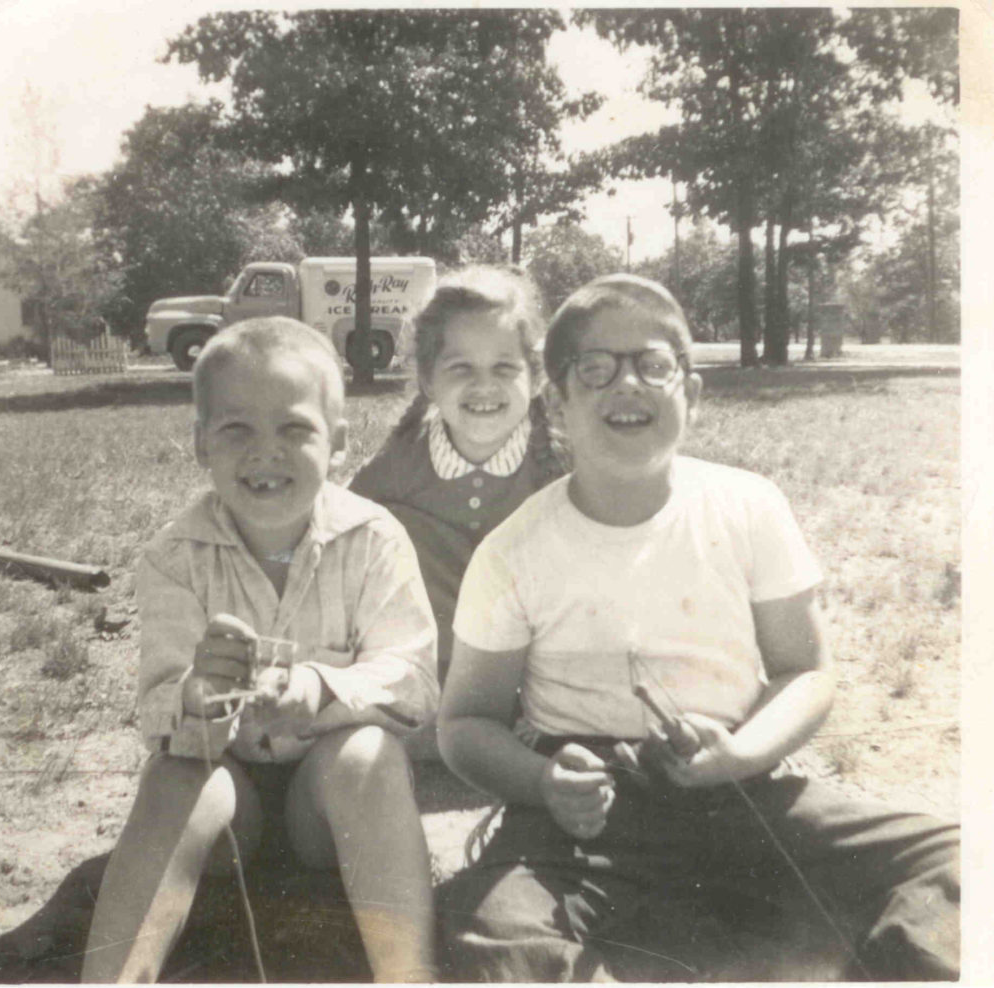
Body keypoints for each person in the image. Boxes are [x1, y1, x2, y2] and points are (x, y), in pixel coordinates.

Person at [436, 274, 960, 982]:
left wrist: (741, 752)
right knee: (485, 922)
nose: (628, 385)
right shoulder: (513, 549)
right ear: (555, 402)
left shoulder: (747, 507)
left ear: (693, 393)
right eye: (595, 369)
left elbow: (806, 670)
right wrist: (542, 780)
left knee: (954, 860)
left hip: (738, 788)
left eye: (653, 365)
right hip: (581, 814)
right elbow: (465, 723)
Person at [82, 317, 439, 983]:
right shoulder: (173, 558)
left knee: (368, 752)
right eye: (236, 430)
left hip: (329, 816)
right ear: (199, 444)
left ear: (338, 442)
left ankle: (409, 975)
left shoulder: (375, 540)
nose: (264, 453)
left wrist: (321, 690)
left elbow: (414, 680)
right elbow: (159, 712)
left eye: (294, 429)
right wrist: (195, 693)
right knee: (175, 773)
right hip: (228, 816)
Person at [349, 265, 566, 755]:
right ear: (427, 379)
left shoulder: (559, 465)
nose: (483, 386)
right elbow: (332, 532)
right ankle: (453, 727)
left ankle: (531, 723)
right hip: (438, 670)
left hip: (538, 671)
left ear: (534, 379)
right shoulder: (396, 466)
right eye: (460, 368)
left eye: (504, 368)